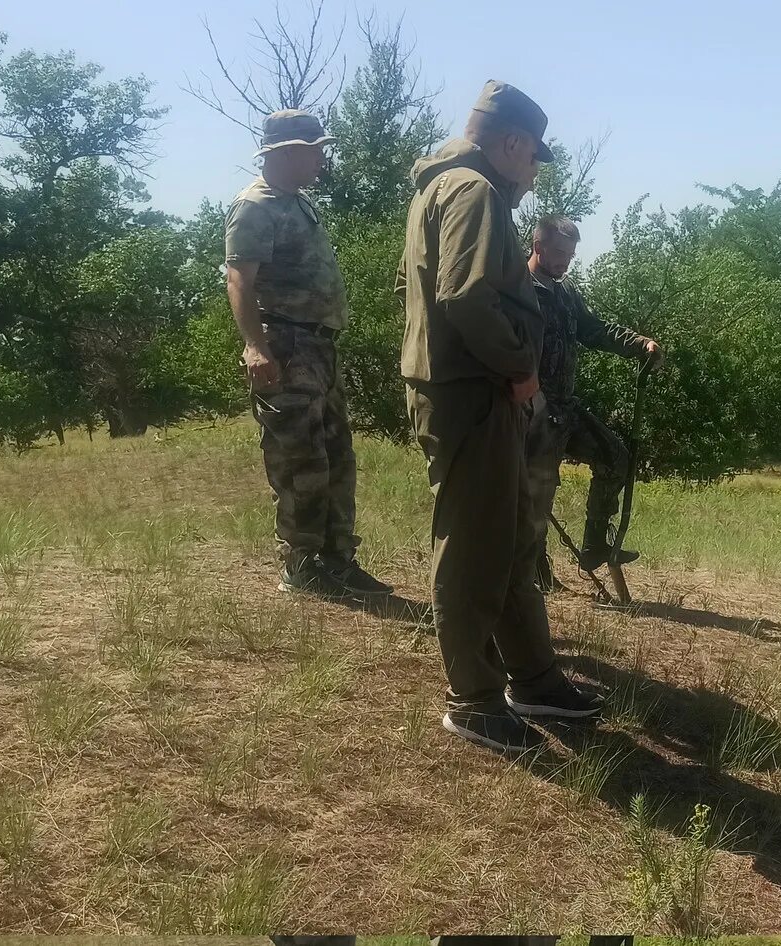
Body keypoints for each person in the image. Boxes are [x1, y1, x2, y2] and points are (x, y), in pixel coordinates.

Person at [401, 80, 603, 755]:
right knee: (474, 546)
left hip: (474, 389)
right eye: (533, 157)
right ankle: (474, 699)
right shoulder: (473, 191)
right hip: (474, 392)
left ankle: (534, 676)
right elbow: (466, 298)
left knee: (511, 537)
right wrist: (520, 369)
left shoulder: (450, 188)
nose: (534, 171)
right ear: (511, 142)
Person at [225, 109, 392, 600]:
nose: (322, 157)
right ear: (288, 152)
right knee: (300, 461)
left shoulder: (297, 203)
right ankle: (300, 566)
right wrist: (255, 346)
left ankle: (338, 560)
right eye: (316, 149)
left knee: (338, 457)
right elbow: (239, 280)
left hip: (319, 348)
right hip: (287, 346)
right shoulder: (255, 206)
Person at [524, 215, 662, 585]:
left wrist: (638, 344)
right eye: (559, 254)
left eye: (570, 255)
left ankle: (594, 545)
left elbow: (594, 329)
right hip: (532, 413)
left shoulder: (565, 291)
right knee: (539, 492)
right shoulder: (517, 290)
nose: (565, 262)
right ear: (538, 247)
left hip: (566, 407)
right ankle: (534, 573)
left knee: (616, 458)